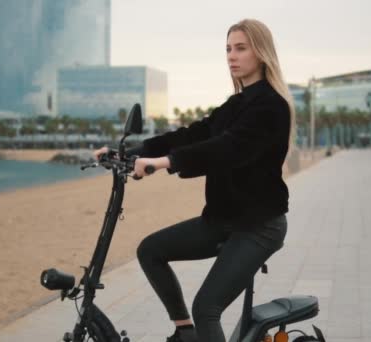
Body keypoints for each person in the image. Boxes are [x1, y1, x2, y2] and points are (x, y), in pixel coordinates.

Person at [94, 18, 293, 342]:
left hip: (259, 226)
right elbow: (192, 134)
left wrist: (166, 162)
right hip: (222, 219)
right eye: (228, 48)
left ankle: (195, 324)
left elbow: (227, 149)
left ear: (261, 52)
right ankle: (185, 332)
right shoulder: (235, 104)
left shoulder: (271, 106)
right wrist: (129, 151)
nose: (232, 55)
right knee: (151, 250)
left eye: (240, 48)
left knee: (207, 307)